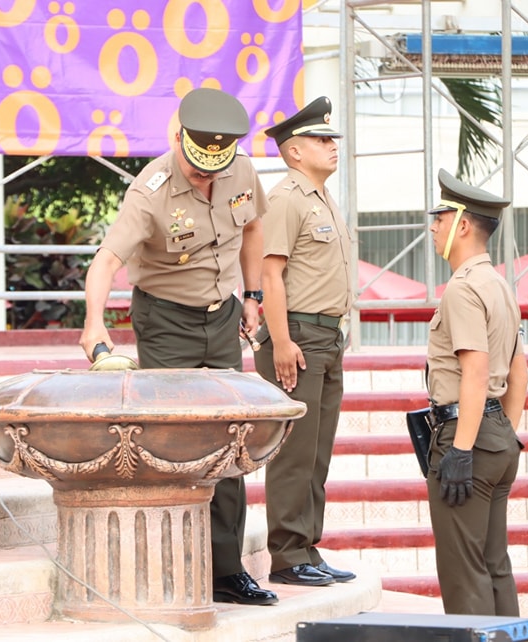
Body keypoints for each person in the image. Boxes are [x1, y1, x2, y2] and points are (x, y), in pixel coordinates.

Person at [79, 87, 277, 606]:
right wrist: (93, 323)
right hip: (166, 320)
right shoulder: (152, 189)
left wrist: (252, 296)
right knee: (178, 440)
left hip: (224, 315)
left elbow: (254, 228)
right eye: (197, 169)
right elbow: (106, 260)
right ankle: (175, 563)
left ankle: (226, 569)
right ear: (179, 141)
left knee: (231, 436)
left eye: (215, 169)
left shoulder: (241, 171)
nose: (206, 177)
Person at [252, 97, 356, 587]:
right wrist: (282, 341)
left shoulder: (321, 198)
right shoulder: (287, 198)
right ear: (294, 152)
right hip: (298, 335)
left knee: (317, 451)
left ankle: (307, 547)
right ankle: (288, 555)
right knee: (294, 453)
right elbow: (271, 275)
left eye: (331, 138)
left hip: (326, 336)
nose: (331, 146)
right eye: (320, 139)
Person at [425, 168, 528, 615]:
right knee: (493, 564)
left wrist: (464, 448)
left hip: (465, 433)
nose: (433, 227)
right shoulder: (500, 285)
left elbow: (476, 369)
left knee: (464, 571)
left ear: (462, 225)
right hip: (496, 433)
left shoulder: (463, 289)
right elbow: (519, 371)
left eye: (440, 217)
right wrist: (503, 432)